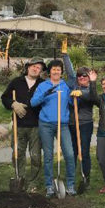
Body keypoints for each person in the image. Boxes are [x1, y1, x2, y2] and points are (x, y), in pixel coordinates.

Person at [30, 59, 76, 198]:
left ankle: (70, 185)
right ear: (49, 71)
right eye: (53, 69)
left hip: (62, 125)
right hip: (46, 124)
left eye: (58, 69)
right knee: (48, 156)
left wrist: (75, 96)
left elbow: (72, 103)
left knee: (69, 154)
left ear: (61, 72)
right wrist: (46, 94)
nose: (56, 71)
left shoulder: (65, 86)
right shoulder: (43, 86)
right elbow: (33, 103)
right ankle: (49, 186)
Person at [1, 57, 45, 183]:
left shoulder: (42, 84)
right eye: (33, 66)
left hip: (36, 125)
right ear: (28, 67)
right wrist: (13, 104)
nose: (35, 69)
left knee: (35, 155)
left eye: (38, 68)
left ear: (41, 71)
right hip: (19, 125)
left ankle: (33, 181)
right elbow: (4, 98)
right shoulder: (17, 82)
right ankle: (19, 177)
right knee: (18, 153)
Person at [60, 40, 94, 186]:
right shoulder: (74, 83)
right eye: (80, 76)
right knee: (72, 152)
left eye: (84, 76)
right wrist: (65, 55)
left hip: (85, 124)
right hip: (71, 124)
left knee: (84, 152)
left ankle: (85, 176)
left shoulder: (90, 89)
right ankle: (71, 177)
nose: (81, 78)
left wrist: (81, 93)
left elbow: (91, 96)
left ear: (88, 78)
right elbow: (69, 70)